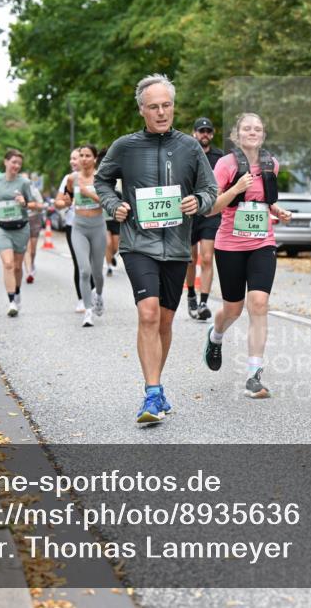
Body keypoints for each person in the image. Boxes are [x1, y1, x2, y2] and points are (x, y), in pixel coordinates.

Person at [95, 73, 218, 425]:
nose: (161, 112)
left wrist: (199, 200)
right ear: (141, 110)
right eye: (154, 107)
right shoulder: (125, 146)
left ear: (173, 107)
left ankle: (157, 387)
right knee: (147, 313)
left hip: (178, 246)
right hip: (138, 243)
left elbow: (209, 189)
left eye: (166, 106)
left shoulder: (190, 147)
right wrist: (113, 204)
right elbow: (102, 181)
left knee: (164, 321)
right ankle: (151, 391)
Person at [201, 113, 292, 398]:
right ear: (237, 135)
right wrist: (236, 188)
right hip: (229, 245)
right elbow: (211, 208)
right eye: (247, 128)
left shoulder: (271, 164)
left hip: (262, 243)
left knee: (259, 303)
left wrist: (279, 211)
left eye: (258, 129)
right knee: (233, 310)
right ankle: (216, 336)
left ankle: (254, 374)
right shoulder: (225, 165)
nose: (253, 132)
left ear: (263, 135)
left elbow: (264, 202)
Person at [0, 150, 40, 317]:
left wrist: (24, 202)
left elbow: (34, 203)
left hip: (20, 228)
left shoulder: (25, 182)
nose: (16, 166)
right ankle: (12, 301)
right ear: (5, 162)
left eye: (19, 164)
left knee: (17, 266)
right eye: (13, 162)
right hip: (1, 227)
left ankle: (17, 291)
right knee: (8, 264)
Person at [58, 145, 108, 327]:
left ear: (95, 159)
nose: (84, 159)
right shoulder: (72, 179)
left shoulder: (102, 178)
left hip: (98, 227)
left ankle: (99, 295)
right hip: (78, 227)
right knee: (84, 270)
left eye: (88, 156)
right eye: (81, 156)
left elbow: (109, 202)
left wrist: (89, 193)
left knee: (97, 272)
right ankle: (88, 311)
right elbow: (60, 200)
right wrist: (63, 202)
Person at [185, 117, 226, 321]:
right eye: (201, 131)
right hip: (190, 212)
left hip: (211, 212)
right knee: (191, 258)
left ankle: (203, 302)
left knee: (208, 258)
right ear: (194, 133)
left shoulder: (220, 157)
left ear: (213, 133)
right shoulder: (187, 153)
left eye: (208, 131)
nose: (205, 135)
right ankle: (191, 293)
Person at [55, 149, 86, 310]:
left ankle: (93, 291)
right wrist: (66, 203)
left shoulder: (95, 177)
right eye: (71, 158)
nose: (72, 161)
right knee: (79, 262)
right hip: (73, 225)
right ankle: (81, 298)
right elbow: (57, 203)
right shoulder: (68, 179)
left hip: (93, 225)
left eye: (75, 158)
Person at [100, 147, 123, 277]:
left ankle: (112, 256)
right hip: (104, 219)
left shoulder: (117, 167)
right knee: (107, 243)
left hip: (116, 219)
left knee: (115, 246)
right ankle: (109, 267)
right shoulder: (99, 175)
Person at [23, 173, 45, 284]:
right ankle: (29, 272)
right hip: (22, 221)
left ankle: (31, 263)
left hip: (34, 219)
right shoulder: (16, 192)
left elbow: (42, 206)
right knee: (27, 248)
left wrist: (32, 205)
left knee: (33, 249)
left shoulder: (34, 191)